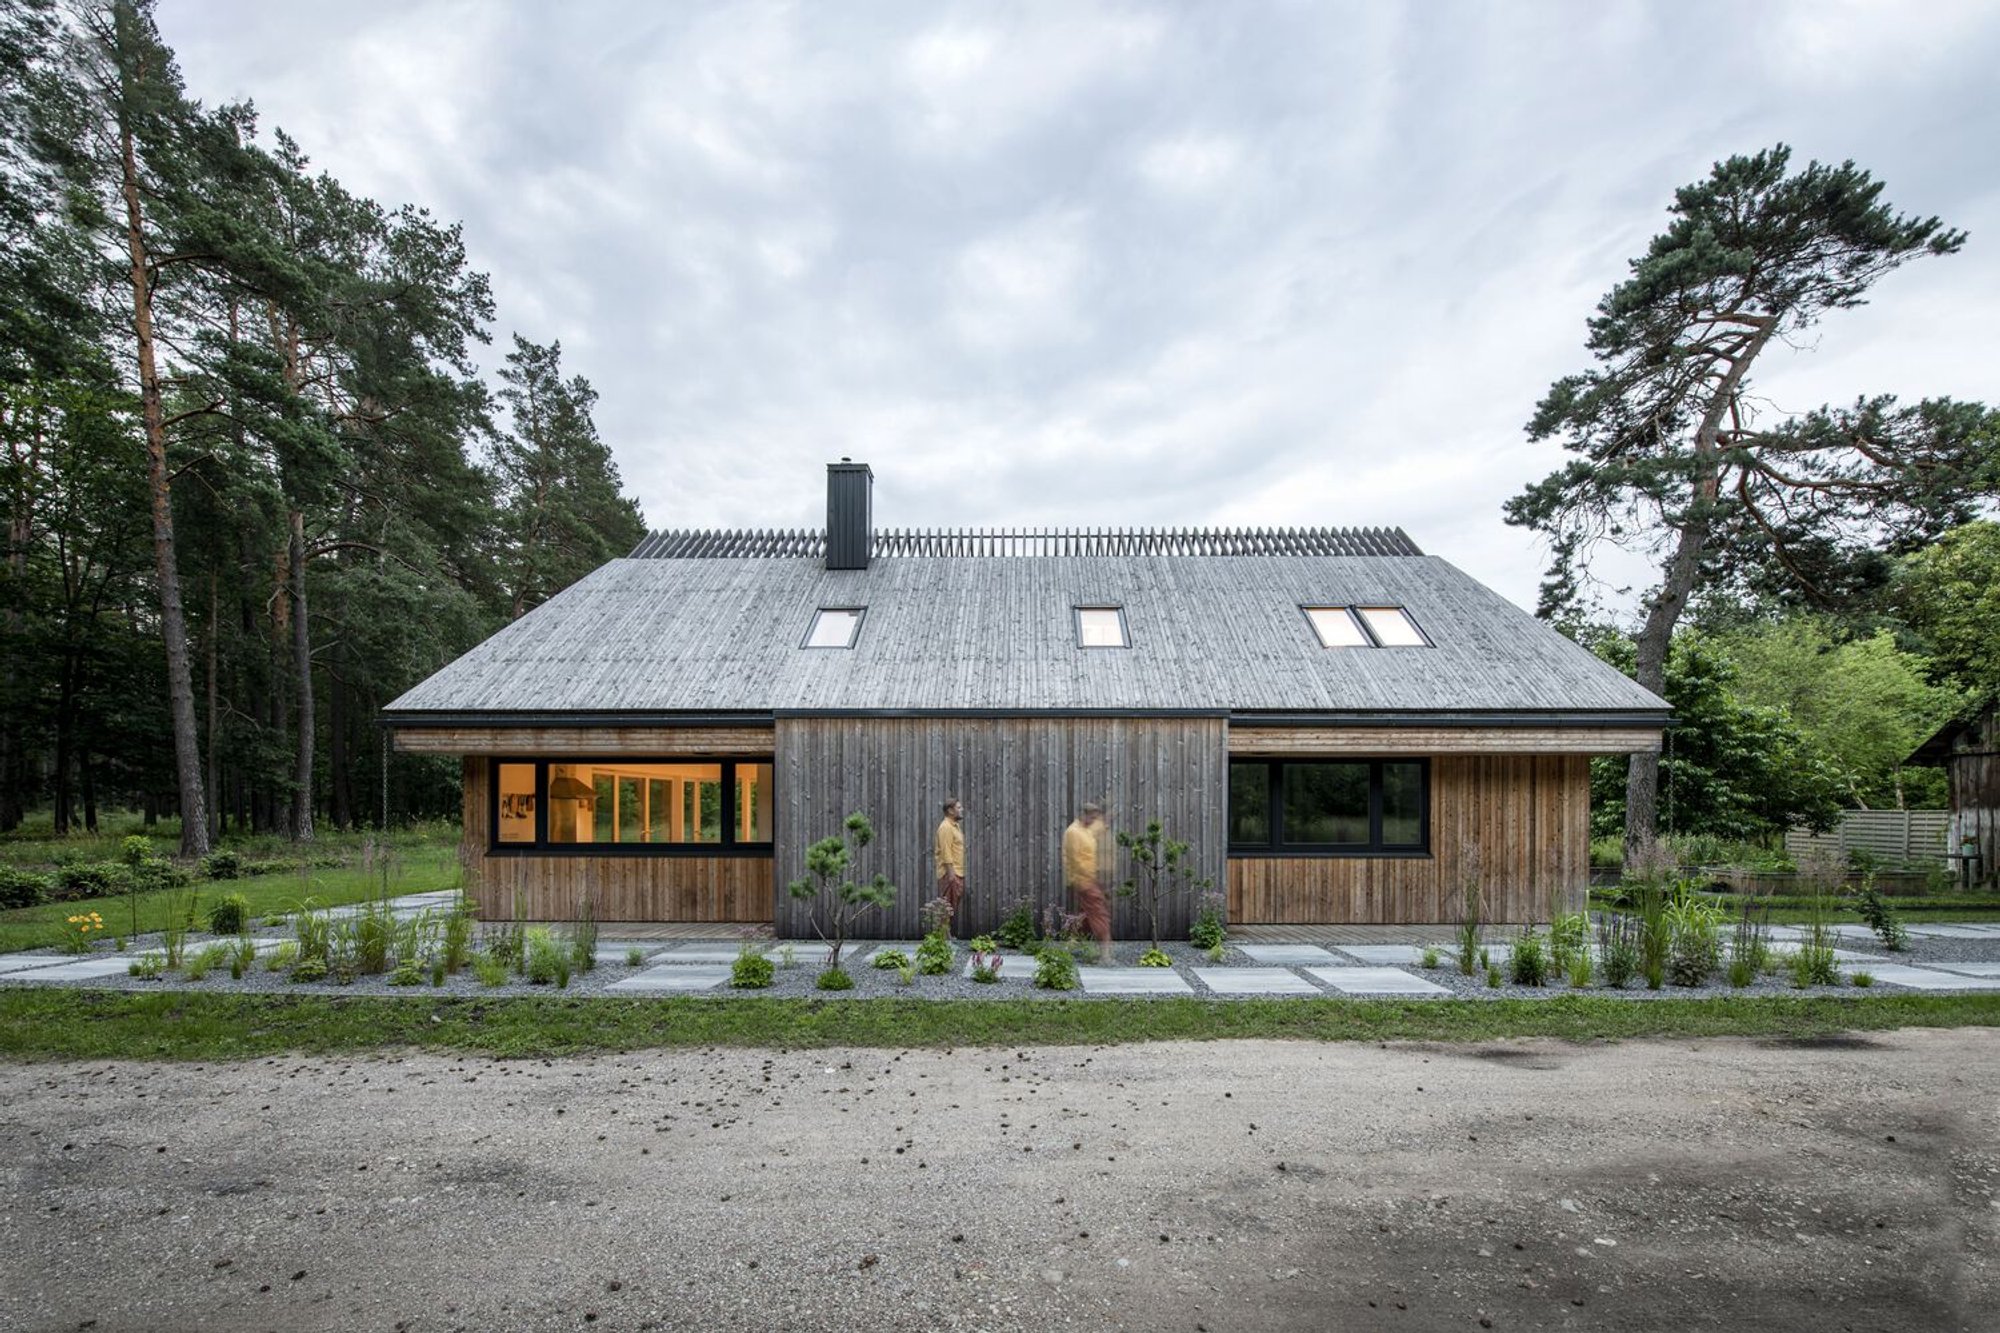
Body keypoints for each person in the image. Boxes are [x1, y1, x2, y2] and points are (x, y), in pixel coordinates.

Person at [1062, 802, 1112, 960]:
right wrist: (1091, 877)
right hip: (1084, 880)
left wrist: (1105, 822)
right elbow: (1075, 860)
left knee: (1086, 915)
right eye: (1092, 817)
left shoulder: (1085, 829)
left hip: (1090, 878)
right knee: (1099, 913)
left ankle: (1071, 945)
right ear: (1084, 815)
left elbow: (1095, 830)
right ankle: (1106, 953)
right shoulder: (1073, 832)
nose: (1094, 822)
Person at [934, 797, 966, 933]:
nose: (961, 810)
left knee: (951, 906)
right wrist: (951, 874)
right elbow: (946, 851)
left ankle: (945, 936)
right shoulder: (945, 827)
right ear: (950, 810)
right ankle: (941, 938)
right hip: (950, 873)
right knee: (947, 906)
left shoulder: (955, 826)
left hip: (957, 871)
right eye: (958, 808)